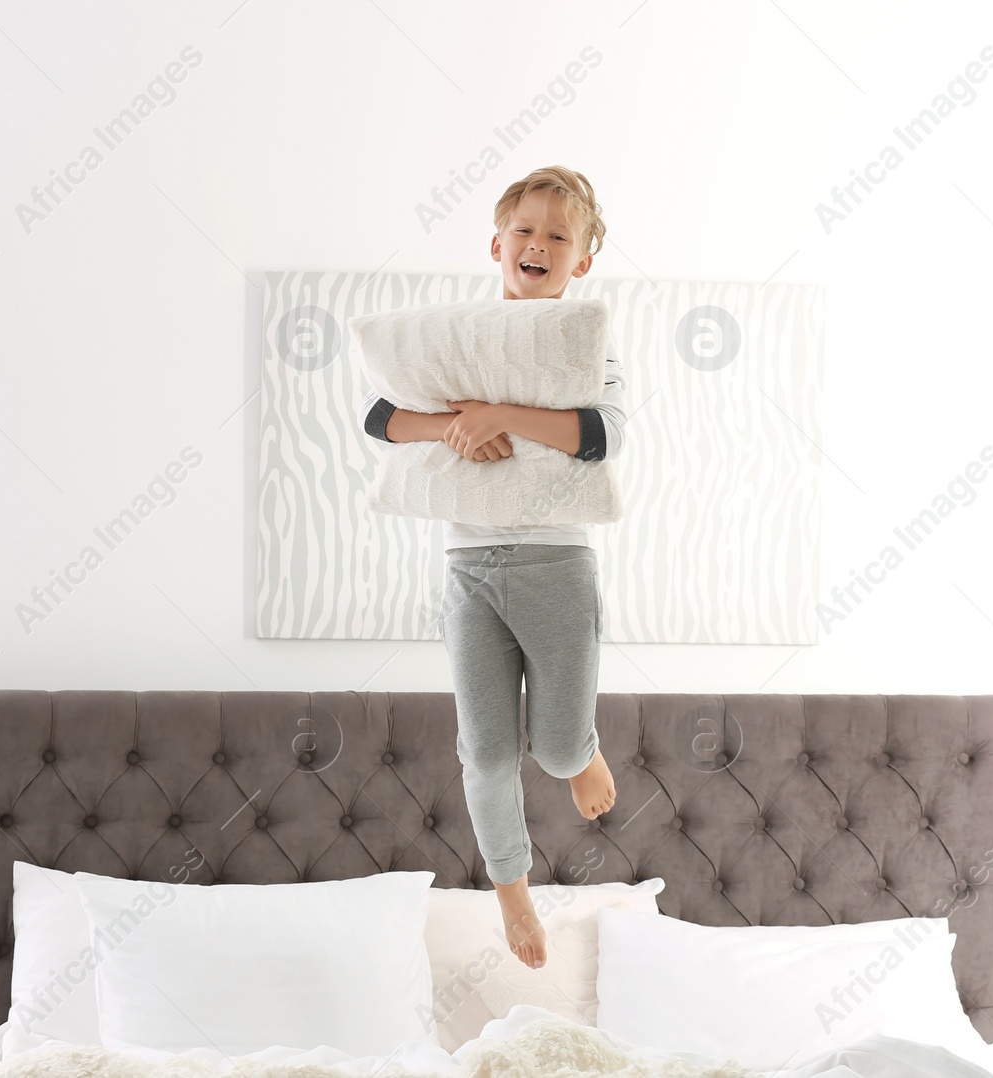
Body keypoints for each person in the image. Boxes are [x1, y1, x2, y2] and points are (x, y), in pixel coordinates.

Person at [357, 165, 627, 970]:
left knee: (550, 749)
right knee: (485, 749)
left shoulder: (588, 348)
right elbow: (380, 417)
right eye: (526, 230)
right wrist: (451, 429)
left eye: (558, 235)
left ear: (580, 263)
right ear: (497, 243)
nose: (538, 243)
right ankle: (513, 890)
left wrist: (496, 416)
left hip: (556, 565)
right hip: (468, 568)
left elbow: (600, 434)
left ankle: (580, 752)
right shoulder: (456, 342)